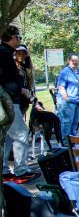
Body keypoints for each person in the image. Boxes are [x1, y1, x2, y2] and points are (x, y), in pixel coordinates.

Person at [0, 26, 38, 183]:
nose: (20, 41)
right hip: (8, 102)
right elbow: (5, 79)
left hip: (10, 100)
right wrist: (20, 90)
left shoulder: (6, 53)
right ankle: (21, 171)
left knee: (8, 136)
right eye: (19, 38)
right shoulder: (4, 54)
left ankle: (4, 170)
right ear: (13, 37)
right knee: (22, 133)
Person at [56, 52, 79, 144]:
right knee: (67, 123)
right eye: (73, 60)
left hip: (78, 102)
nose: (75, 62)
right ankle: (66, 143)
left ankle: (73, 141)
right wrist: (66, 97)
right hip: (68, 102)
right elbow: (61, 86)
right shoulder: (65, 72)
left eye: (77, 60)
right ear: (69, 61)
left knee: (75, 122)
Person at [14, 45, 36, 116]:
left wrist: (35, 102)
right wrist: (23, 90)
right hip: (15, 103)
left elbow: (30, 88)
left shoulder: (25, 68)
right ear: (15, 54)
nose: (21, 56)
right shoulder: (13, 68)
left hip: (24, 104)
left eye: (24, 54)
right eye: (19, 53)